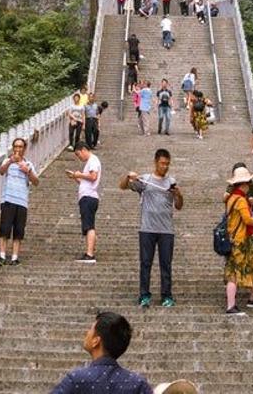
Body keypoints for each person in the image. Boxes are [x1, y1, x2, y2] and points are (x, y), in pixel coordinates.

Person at [120, 148, 183, 308]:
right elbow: (123, 186)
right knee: (145, 263)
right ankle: (144, 295)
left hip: (166, 230)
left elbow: (179, 206)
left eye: (167, 164)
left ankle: (166, 295)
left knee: (166, 264)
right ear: (156, 162)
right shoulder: (145, 180)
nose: (165, 167)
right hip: (147, 229)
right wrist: (129, 176)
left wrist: (178, 194)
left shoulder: (171, 181)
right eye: (162, 163)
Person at [47, 311, 153, 394]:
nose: (86, 332)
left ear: (96, 341)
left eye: (90, 329)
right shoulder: (138, 384)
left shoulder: (76, 380)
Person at [222, 165, 253, 315]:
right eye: (248, 183)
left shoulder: (231, 198)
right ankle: (231, 306)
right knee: (234, 273)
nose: (249, 185)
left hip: (240, 240)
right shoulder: (240, 200)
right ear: (242, 184)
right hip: (240, 241)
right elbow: (248, 220)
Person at [0, 135, 39, 264]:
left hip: (21, 201)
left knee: (18, 230)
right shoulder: (7, 161)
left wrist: (28, 171)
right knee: (4, 229)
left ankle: (15, 257)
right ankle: (2, 255)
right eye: (16, 146)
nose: (18, 149)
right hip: (8, 198)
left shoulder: (28, 164)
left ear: (24, 148)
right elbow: (1, 171)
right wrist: (11, 161)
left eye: (20, 147)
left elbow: (36, 182)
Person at [67, 144, 101, 263]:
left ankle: (90, 254)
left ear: (84, 150)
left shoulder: (92, 160)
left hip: (89, 197)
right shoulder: (90, 162)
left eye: (78, 154)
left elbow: (93, 176)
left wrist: (79, 174)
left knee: (89, 226)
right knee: (88, 225)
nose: (79, 157)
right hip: (87, 196)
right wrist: (75, 177)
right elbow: (86, 181)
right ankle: (89, 250)